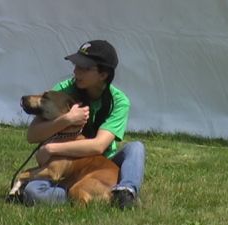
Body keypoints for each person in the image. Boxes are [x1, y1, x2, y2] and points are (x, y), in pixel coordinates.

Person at [22, 40, 145, 209]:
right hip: (66, 169)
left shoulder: (119, 101)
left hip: (104, 165)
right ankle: (80, 193)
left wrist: (51, 149)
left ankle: (125, 192)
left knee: (136, 148)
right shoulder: (62, 92)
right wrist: (67, 119)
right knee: (32, 192)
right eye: (76, 65)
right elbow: (33, 135)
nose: (76, 71)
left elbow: (98, 146)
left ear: (103, 75)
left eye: (84, 68)